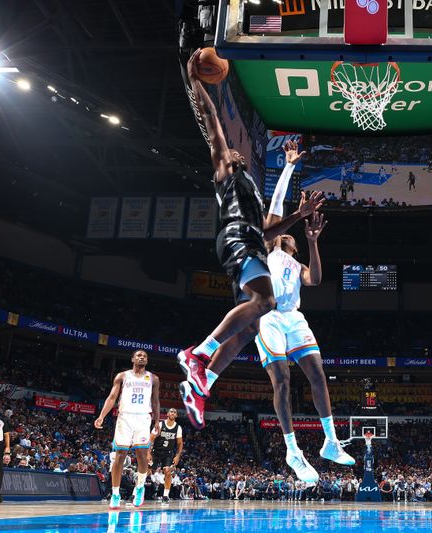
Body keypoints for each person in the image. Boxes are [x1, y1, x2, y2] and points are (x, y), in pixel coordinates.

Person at [177, 50, 323, 428]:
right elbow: (212, 122)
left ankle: (202, 383)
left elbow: (268, 230)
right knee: (265, 300)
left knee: (247, 332)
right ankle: (199, 352)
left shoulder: (250, 190)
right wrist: (195, 81)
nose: (238, 152)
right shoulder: (226, 169)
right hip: (237, 238)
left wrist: (299, 216)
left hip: (249, 240)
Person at [94, 349, 160, 509]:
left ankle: (140, 488)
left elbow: (156, 400)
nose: (142, 357)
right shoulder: (122, 376)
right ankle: (115, 493)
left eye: (145, 356)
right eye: (139, 355)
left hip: (144, 417)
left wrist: (157, 421)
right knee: (120, 455)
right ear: (132, 358)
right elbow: (112, 397)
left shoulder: (153, 378)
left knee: (142, 454)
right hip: (125, 417)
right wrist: (102, 415)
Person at [149, 408, 183, 504]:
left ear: (176, 416)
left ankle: (165, 495)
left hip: (168, 453)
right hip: (156, 451)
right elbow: (151, 438)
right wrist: (148, 452)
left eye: (175, 412)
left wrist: (177, 456)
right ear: (167, 414)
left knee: (168, 472)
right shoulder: (160, 424)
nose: (173, 413)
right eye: (171, 411)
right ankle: (136, 492)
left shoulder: (178, 428)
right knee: (146, 471)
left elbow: (180, 443)